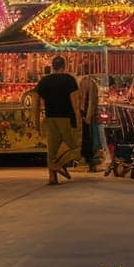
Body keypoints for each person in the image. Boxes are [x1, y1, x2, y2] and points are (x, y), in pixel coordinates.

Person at [35, 56, 81, 187]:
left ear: (52, 66)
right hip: (66, 118)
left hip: (50, 118)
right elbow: (75, 104)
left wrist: (36, 123)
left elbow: (37, 105)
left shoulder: (44, 81)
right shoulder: (69, 80)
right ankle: (59, 165)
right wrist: (78, 122)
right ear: (64, 66)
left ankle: (52, 177)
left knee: (52, 148)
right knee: (75, 147)